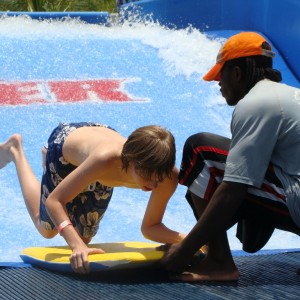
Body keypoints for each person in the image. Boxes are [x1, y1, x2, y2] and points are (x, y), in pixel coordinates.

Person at [159, 32, 300, 281]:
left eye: (220, 75)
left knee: (200, 152)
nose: (218, 84)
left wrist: (184, 251)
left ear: (236, 73)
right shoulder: (288, 94)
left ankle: (219, 262)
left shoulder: (257, 103)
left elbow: (233, 188)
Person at [0, 122, 184, 274]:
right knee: (48, 229)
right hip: (66, 150)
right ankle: (15, 150)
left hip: (98, 152)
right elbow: (54, 202)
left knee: (83, 238)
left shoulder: (167, 177)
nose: (152, 186)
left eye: (158, 180)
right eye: (147, 177)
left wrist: (190, 239)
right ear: (131, 161)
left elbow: (150, 228)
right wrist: (76, 246)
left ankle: (67, 173)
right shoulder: (106, 160)